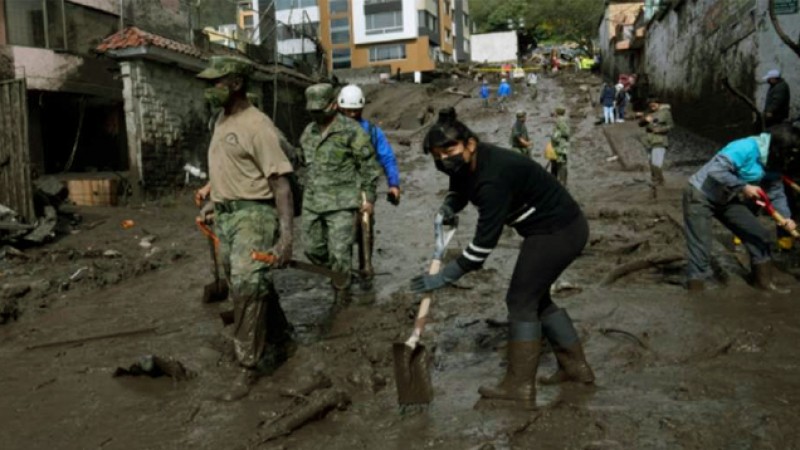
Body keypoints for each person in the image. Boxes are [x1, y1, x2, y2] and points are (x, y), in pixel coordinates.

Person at [410, 117, 594, 405]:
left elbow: (482, 247)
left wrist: (445, 276)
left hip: (559, 231)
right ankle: (576, 369)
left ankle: (518, 386)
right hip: (550, 228)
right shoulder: (470, 162)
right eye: (438, 156)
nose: (445, 160)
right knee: (536, 298)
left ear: (470, 143)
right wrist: (451, 204)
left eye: (450, 151)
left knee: (520, 301)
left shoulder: (493, 178)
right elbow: (460, 186)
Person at [194, 55, 296, 401]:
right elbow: (230, 168)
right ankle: (282, 339)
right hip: (227, 216)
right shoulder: (219, 121)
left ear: (236, 83)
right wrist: (214, 200)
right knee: (246, 281)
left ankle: (247, 367)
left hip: (255, 215)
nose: (210, 89)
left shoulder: (258, 126)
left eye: (216, 82)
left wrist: (286, 239)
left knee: (248, 287)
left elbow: (280, 183)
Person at [683, 123, 800, 293]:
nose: (790, 160)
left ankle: (763, 283)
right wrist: (744, 187)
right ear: (780, 148)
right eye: (790, 155)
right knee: (701, 248)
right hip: (700, 194)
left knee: (759, 234)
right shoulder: (744, 147)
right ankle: (696, 292)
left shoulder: (774, 160)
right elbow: (716, 171)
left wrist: (786, 218)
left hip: (726, 196)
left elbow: (775, 192)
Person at [300, 83, 380, 302]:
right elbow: (303, 162)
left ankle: (342, 295)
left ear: (333, 105)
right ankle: (339, 274)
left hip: (342, 203)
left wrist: (369, 197)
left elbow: (369, 166)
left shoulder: (351, 130)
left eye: (321, 110)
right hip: (313, 202)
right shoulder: (309, 132)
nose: (317, 115)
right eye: (313, 111)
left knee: (340, 253)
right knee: (311, 249)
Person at [336, 84, 401, 288]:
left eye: (356, 110)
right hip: (338, 190)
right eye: (348, 111)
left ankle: (366, 268)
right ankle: (341, 275)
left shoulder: (372, 132)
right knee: (339, 234)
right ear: (339, 108)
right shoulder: (332, 131)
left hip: (364, 189)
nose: (352, 114)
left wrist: (394, 184)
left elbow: (387, 158)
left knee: (365, 228)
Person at [641, 100, 674, 185]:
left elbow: (671, 125)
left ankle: (659, 180)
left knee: (657, 162)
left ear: (659, 104)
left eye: (654, 105)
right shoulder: (648, 112)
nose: (652, 107)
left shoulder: (665, 113)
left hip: (660, 140)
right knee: (651, 161)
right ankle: (655, 179)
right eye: (650, 105)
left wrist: (660, 130)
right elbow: (640, 124)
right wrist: (645, 120)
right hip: (649, 141)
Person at [550, 106, 570, 186]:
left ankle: (562, 182)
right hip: (559, 145)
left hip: (560, 146)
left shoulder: (560, 121)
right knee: (557, 162)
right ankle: (560, 181)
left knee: (561, 163)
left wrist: (555, 136)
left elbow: (565, 132)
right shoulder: (561, 120)